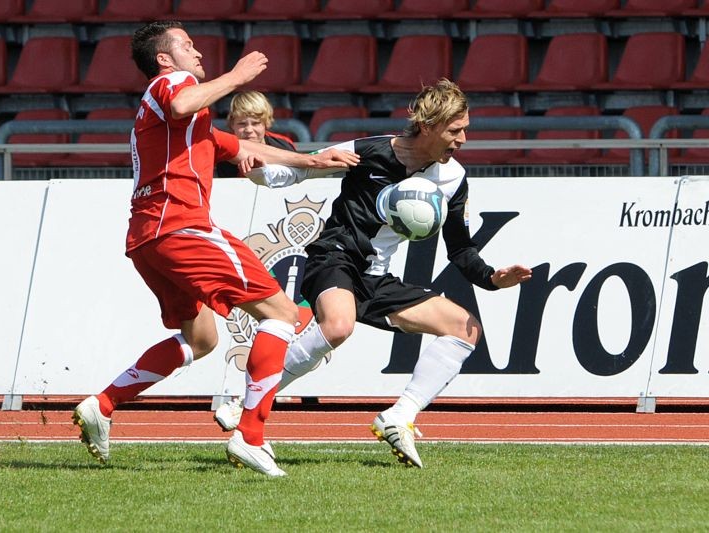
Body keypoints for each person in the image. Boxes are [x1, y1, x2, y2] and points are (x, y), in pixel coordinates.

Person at [71, 20, 358, 477]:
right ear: (165, 59)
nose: (198, 54)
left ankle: (102, 405)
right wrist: (239, 77)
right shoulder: (173, 84)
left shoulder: (179, 123)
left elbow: (240, 146)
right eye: (187, 46)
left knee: (202, 338)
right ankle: (251, 436)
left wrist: (314, 161)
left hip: (148, 239)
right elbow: (185, 98)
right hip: (182, 227)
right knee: (282, 314)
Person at [214, 78, 533, 468]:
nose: (463, 138)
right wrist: (260, 172)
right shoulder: (371, 150)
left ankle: (400, 417)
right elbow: (306, 167)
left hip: (376, 276)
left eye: (464, 128)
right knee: (338, 326)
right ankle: (250, 402)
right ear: (429, 126)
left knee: (464, 328)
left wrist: (492, 279)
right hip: (335, 256)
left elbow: (461, 249)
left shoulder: (452, 179)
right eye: (455, 129)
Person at [216, 90, 296, 177]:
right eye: (242, 124)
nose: (249, 130)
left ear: (267, 123)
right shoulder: (225, 155)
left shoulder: (283, 146)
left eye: (256, 123)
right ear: (232, 125)